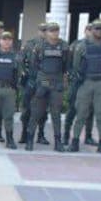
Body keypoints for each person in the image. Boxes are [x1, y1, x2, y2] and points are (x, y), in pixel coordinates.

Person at [69, 19, 101, 153]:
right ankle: (75, 142)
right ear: (91, 29)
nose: (99, 31)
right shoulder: (82, 46)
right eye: (96, 28)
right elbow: (76, 65)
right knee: (81, 113)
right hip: (86, 82)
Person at [24, 22, 70, 151]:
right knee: (36, 112)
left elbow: (66, 65)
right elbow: (34, 64)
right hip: (43, 81)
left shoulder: (64, 46)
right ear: (47, 32)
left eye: (56, 30)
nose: (54, 33)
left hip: (57, 82)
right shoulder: (40, 46)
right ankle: (29, 140)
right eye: (51, 31)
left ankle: (58, 142)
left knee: (56, 114)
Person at [64, 23, 95, 146]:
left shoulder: (98, 45)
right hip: (77, 83)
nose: (92, 32)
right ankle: (66, 135)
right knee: (72, 108)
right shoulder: (76, 45)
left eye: (94, 30)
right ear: (85, 31)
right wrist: (73, 76)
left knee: (90, 110)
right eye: (90, 30)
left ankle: (88, 136)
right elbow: (68, 63)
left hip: (90, 83)